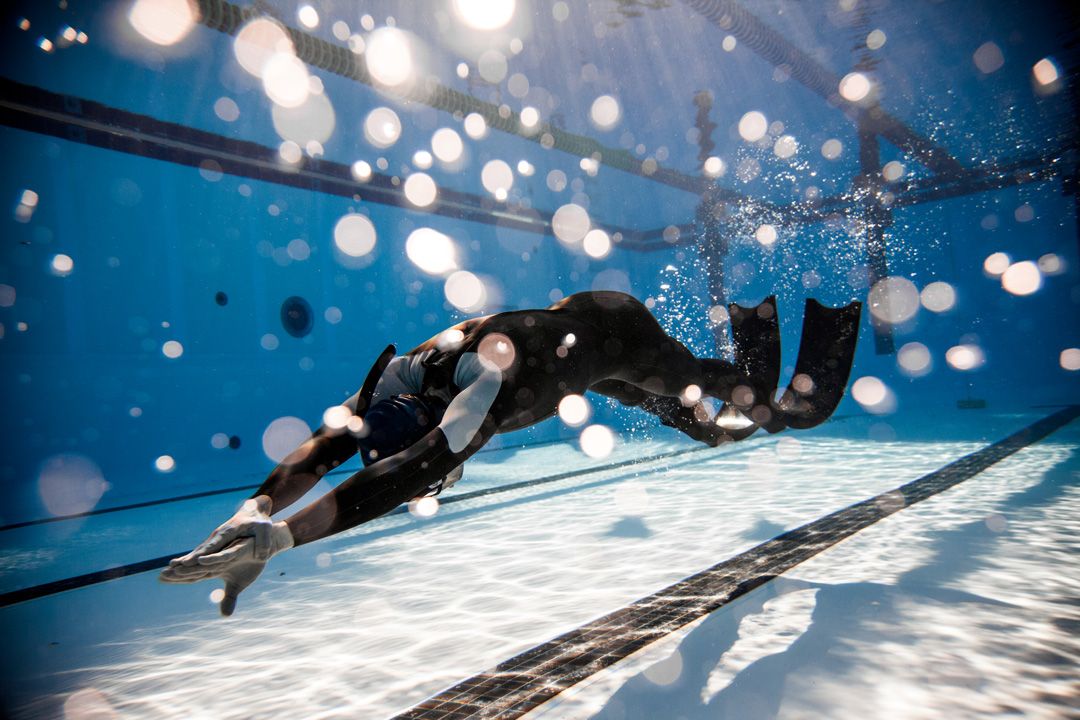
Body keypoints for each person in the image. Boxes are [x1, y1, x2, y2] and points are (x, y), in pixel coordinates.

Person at [160, 290, 860, 615]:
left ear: (439, 438)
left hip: (615, 334)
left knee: (719, 400)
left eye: (443, 471)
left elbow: (407, 470)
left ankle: (776, 391)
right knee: (666, 406)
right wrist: (253, 507)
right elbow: (333, 441)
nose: (444, 474)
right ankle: (735, 375)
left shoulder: (478, 400)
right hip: (575, 332)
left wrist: (279, 536)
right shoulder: (404, 374)